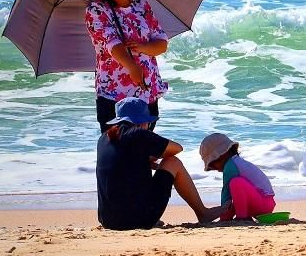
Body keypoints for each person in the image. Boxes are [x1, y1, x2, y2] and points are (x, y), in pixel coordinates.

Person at [96, 97, 227, 230]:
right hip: (137, 220)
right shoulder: (139, 134)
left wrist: (143, 158)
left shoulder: (103, 138)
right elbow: (177, 148)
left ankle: (140, 213)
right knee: (172, 162)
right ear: (142, 122)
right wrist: (151, 155)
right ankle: (202, 213)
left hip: (108, 220)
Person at [85, 0, 169, 133]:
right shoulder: (97, 9)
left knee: (145, 151)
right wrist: (132, 66)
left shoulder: (142, 6)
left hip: (146, 90)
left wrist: (142, 47)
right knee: (118, 152)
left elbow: (161, 43)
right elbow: (111, 44)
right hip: (114, 94)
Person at [199, 133, 276, 221]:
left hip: (262, 204)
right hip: (264, 203)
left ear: (221, 155)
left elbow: (226, 193)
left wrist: (223, 215)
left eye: (212, 164)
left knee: (236, 183)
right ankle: (242, 215)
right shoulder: (237, 163)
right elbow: (237, 197)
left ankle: (242, 217)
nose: (214, 168)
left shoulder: (231, 166)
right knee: (237, 190)